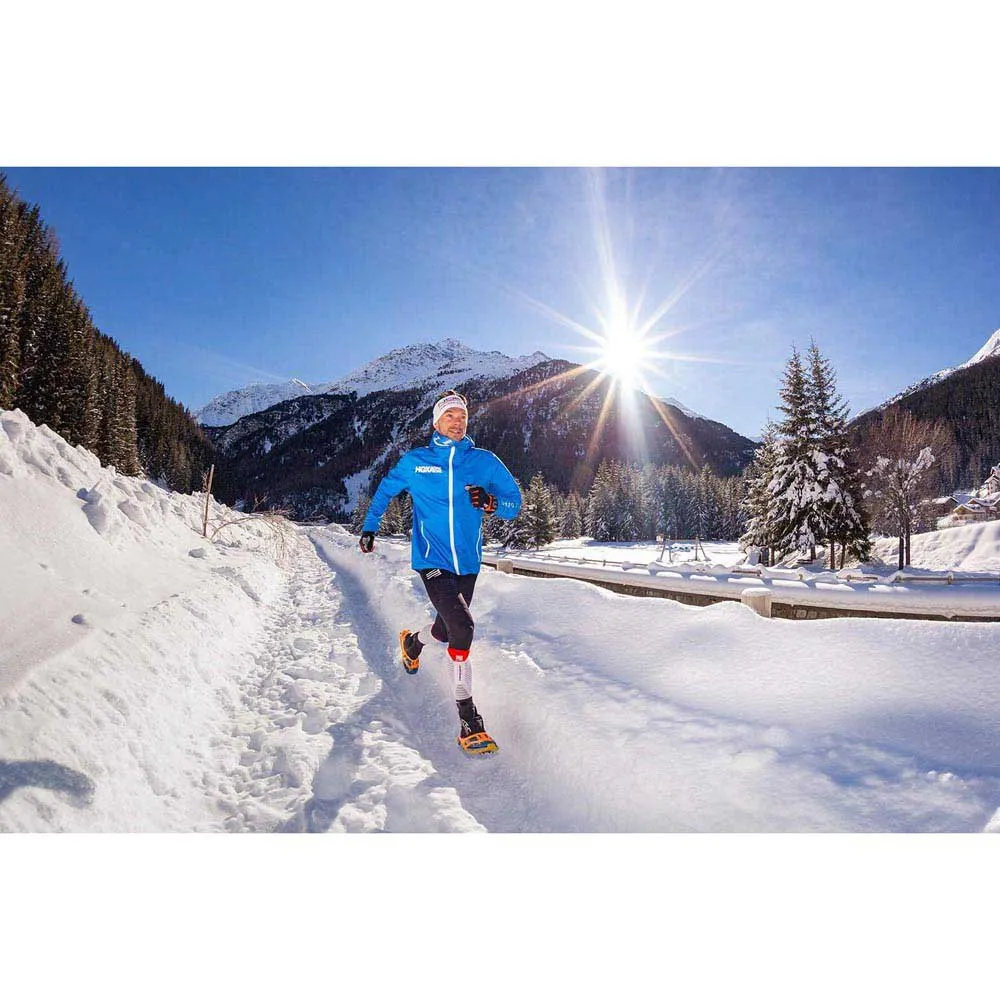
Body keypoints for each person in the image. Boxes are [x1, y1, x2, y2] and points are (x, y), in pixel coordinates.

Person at [358, 389, 522, 755]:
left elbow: (515, 503)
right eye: (450, 416)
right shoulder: (416, 462)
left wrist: (491, 503)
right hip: (431, 559)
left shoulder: (484, 462)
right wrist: (370, 527)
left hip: (468, 564)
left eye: (462, 416)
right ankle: (469, 720)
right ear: (436, 423)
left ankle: (414, 643)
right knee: (463, 627)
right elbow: (384, 491)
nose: (457, 421)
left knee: (446, 629)